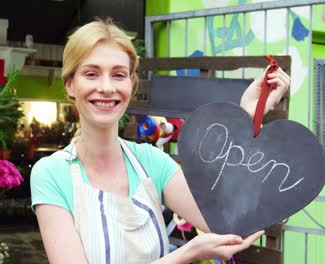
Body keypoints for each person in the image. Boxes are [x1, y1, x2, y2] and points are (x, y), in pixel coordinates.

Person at [31, 18, 290, 264]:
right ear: (70, 85)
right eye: (91, 74)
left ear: (131, 84)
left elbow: (226, 221)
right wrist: (184, 254)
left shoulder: (151, 162)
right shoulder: (52, 174)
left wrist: (248, 114)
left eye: (119, 75)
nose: (107, 87)